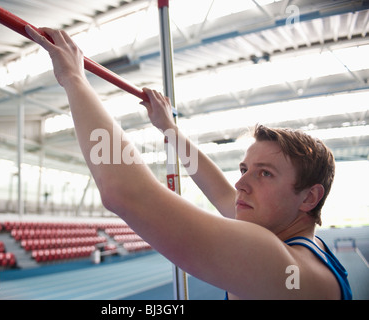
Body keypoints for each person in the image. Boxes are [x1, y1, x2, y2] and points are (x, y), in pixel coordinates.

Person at [25, 26, 352, 300]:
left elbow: (124, 193)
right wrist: (170, 130)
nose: (240, 184)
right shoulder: (296, 243)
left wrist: (73, 79)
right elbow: (223, 194)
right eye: (243, 169)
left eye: (265, 173)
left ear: (309, 197)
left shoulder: (282, 264)